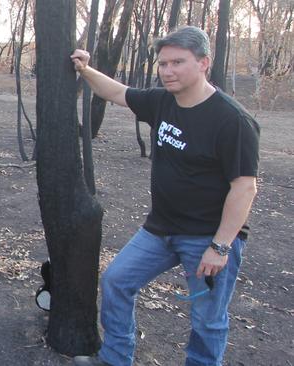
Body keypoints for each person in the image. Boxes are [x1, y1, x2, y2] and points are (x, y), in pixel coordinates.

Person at [71, 26, 260, 366]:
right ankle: (115, 357)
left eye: (178, 62)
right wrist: (85, 69)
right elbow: (116, 92)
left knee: (208, 318)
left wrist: (220, 247)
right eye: (163, 64)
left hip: (207, 238)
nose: (167, 71)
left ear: (204, 63)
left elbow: (244, 187)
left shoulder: (232, 121)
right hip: (160, 229)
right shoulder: (162, 101)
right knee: (116, 281)